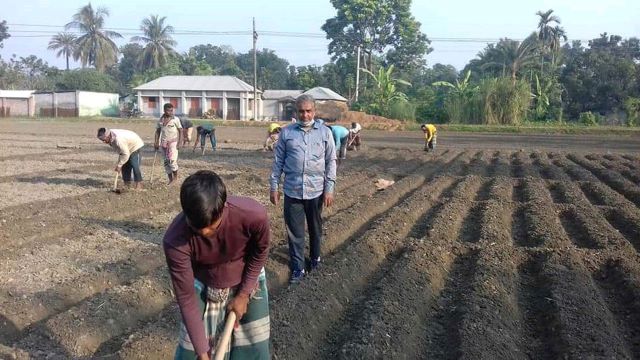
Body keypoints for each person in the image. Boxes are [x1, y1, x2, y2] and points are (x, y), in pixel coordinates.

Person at [164, 170, 271, 360]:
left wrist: (244, 293)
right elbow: (186, 297)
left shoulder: (253, 216)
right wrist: (203, 354)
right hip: (205, 281)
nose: (205, 232)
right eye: (197, 228)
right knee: (191, 351)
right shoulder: (175, 240)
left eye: (212, 227)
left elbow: (260, 252)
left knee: (254, 348)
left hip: (247, 275)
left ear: (223, 208)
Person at [269, 94, 337, 284]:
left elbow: (331, 161)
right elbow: (278, 162)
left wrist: (329, 188)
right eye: (301, 111)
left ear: (314, 111)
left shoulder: (324, 133)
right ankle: (298, 268)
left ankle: (315, 258)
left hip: (316, 191)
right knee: (295, 233)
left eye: (308, 111)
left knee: (315, 228)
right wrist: (274, 186)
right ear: (296, 112)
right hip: (293, 190)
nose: (305, 115)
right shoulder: (287, 133)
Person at [155, 103, 183, 185]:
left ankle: (175, 178)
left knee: (172, 160)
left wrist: (179, 142)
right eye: (168, 111)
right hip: (163, 143)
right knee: (166, 162)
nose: (170, 112)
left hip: (173, 142)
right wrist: (156, 142)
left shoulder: (175, 119)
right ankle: (170, 179)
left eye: (171, 110)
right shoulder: (161, 120)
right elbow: (157, 131)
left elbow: (180, 130)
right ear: (164, 110)